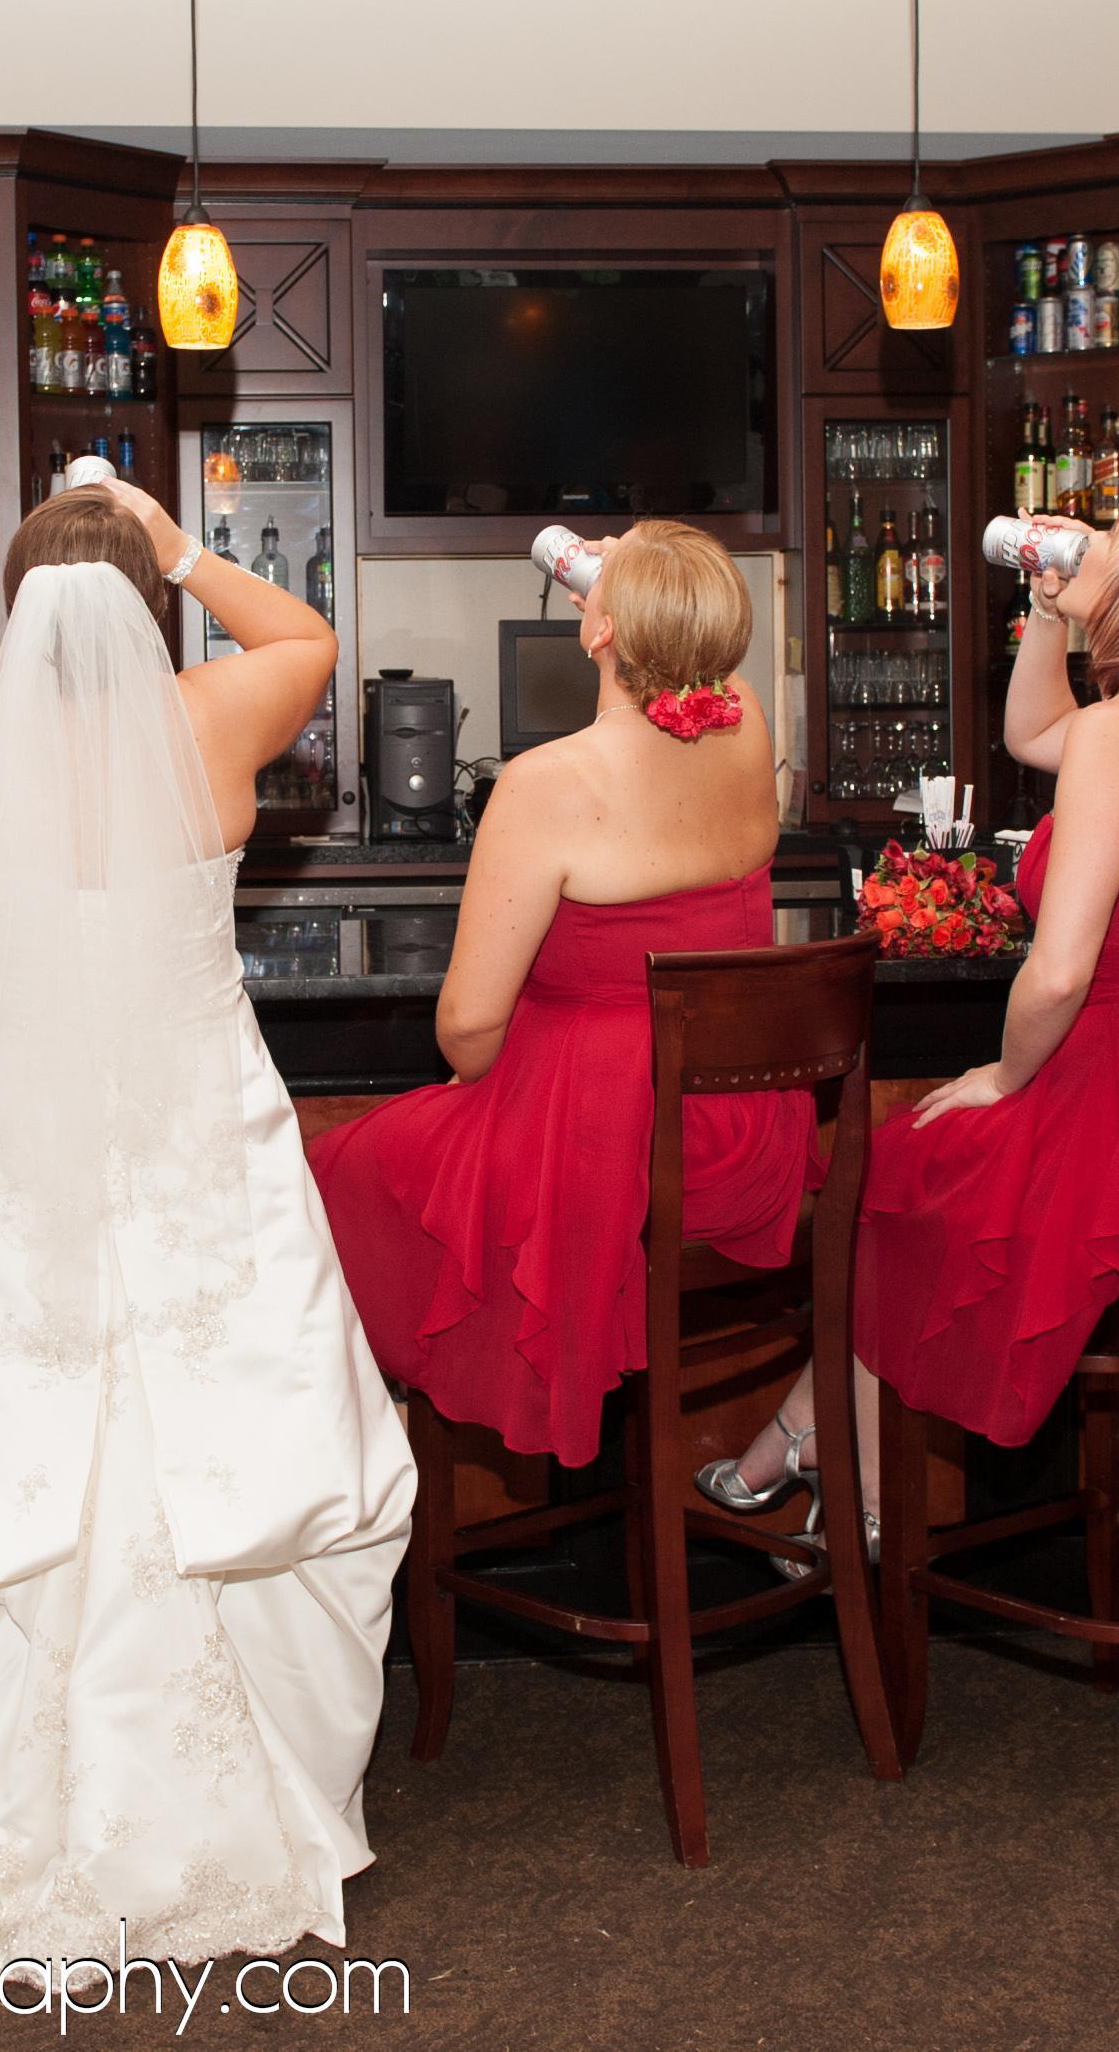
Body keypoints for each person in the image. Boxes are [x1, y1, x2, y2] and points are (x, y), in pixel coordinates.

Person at [0, 481, 414, 1964]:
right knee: (221, 1419)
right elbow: (311, 640)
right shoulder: (208, 714)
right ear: (144, 601)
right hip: (192, 1126)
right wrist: (181, 542)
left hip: (5, 1132)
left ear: (17, 604)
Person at [702, 487, 1119, 1539]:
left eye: (1110, 544)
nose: (1089, 549)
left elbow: (1061, 972)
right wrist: (1045, 608)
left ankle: (861, 1489)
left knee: (890, 1172)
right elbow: (1031, 730)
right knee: (905, 1173)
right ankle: (812, 1439)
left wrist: (1005, 1075)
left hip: (1115, 1105)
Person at [306, 520, 817, 1487]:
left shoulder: (548, 783)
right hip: (740, 1139)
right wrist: (640, 583)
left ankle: (365, 1491)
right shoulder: (747, 722)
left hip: (609, 1156)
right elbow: (685, 685)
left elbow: (467, 1032)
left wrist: (619, 591)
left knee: (331, 1173)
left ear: (598, 629)